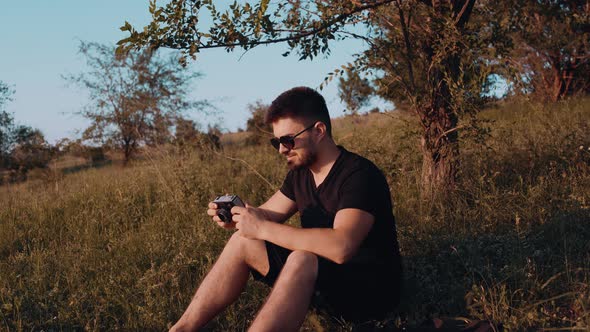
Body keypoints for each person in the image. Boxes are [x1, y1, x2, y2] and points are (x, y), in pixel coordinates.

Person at [170, 87, 402, 332]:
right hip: (323, 286)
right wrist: (242, 217)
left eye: (287, 140)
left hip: (369, 296)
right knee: (243, 240)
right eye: (276, 142)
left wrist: (261, 227)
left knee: (302, 257)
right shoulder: (300, 174)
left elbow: (341, 247)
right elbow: (267, 214)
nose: (281, 149)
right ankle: (182, 329)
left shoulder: (359, 175)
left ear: (319, 131)